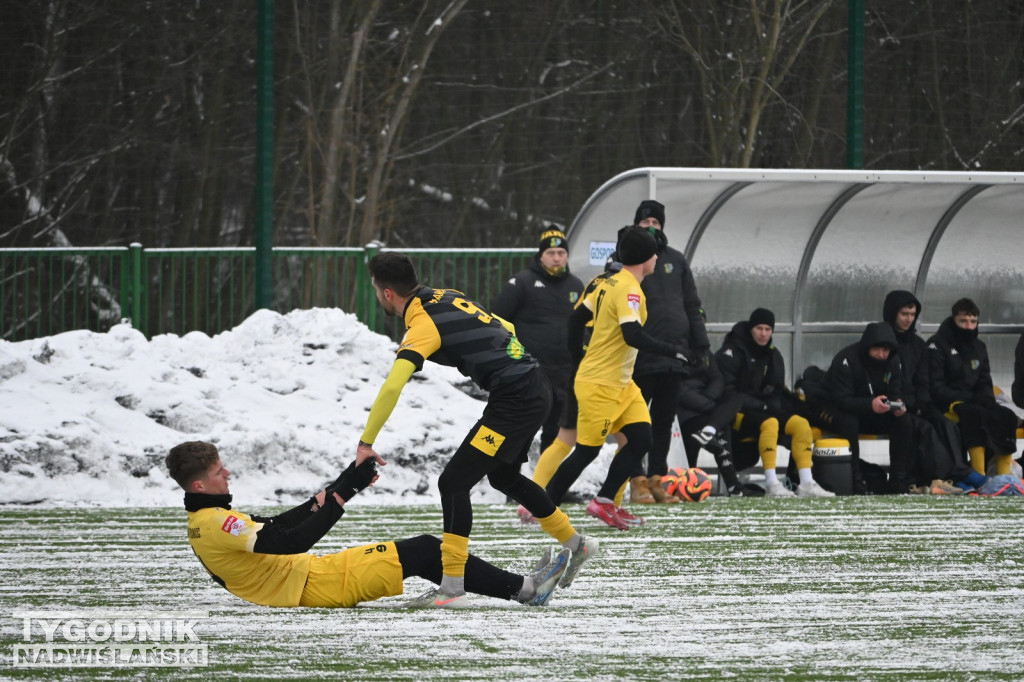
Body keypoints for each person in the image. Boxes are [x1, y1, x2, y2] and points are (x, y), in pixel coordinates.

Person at [358, 252, 598, 606]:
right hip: (533, 386)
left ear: (387, 293)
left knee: (453, 482)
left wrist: (366, 442)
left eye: (378, 291)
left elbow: (393, 385)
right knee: (503, 477)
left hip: (515, 399)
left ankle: (452, 588)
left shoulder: (422, 324)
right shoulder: (448, 295)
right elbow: (508, 328)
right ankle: (577, 545)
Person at [165, 441, 572, 609]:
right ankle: (528, 590)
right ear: (200, 484)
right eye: (220, 472)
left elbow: (274, 525)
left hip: (304, 580)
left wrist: (343, 483)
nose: (228, 473)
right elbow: (289, 543)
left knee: (425, 551)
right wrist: (341, 496)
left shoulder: (206, 519)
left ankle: (519, 587)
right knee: (426, 550)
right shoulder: (217, 523)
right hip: (310, 584)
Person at [544, 227, 691, 529]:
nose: (656, 258)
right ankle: (543, 507)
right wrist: (671, 350)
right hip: (600, 383)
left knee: (640, 439)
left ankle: (605, 501)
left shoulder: (606, 282)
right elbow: (632, 334)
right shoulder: (628, 288)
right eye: (654, 253)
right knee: (586, 451)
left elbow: (576, 319)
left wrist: (579, 356)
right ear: (645, 258)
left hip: (621, 383)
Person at [613, 200, 711, 505]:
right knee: (635, 424)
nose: (651, 227)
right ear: (635, 226)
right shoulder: (623, 261)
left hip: (674, 355)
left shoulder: (676, 260)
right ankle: (636, 481)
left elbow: (692, 305)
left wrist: (701, 345)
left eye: (656, 222)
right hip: (640, 354)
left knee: (664, 420)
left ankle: (658, 480)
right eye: (645, 223)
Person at [715, 308, 834, 498]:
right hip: (736, 411)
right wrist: (762, 406)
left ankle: (806, 482)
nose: (763, 334)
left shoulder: (773, 355)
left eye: (768, 329)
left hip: (765, 409)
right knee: (770, 423)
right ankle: (771, 483)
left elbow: (776, 392)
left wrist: (770, 405)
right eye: (759, 328)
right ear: (751, 329)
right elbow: (728, 393)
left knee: (801, 424)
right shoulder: (732, 351)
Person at [491, 228, 584, 453]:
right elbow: (497, 321)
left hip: (564, 374)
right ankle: (509, 478)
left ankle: (547, 485)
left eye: (561, 252)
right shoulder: (522, 282)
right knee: (523, 429)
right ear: (540, 255)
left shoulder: (576, 286)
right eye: (551, 252)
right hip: (530, 372)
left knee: (554, 435)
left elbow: (585, 326)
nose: (556, 257)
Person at [927, 298, 1019, 477]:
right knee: (974, 415)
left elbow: (985, 381)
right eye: (963, 321)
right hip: (947, 404)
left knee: (1006, 415)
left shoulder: (979, 347)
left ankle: (1004, 477)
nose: (969, 326)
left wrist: (986, 399)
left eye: (973, 321)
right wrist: (966, 399)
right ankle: (980, 475)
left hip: (973, 402)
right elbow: (935, 386)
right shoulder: (937, 344)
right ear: (953, 319)